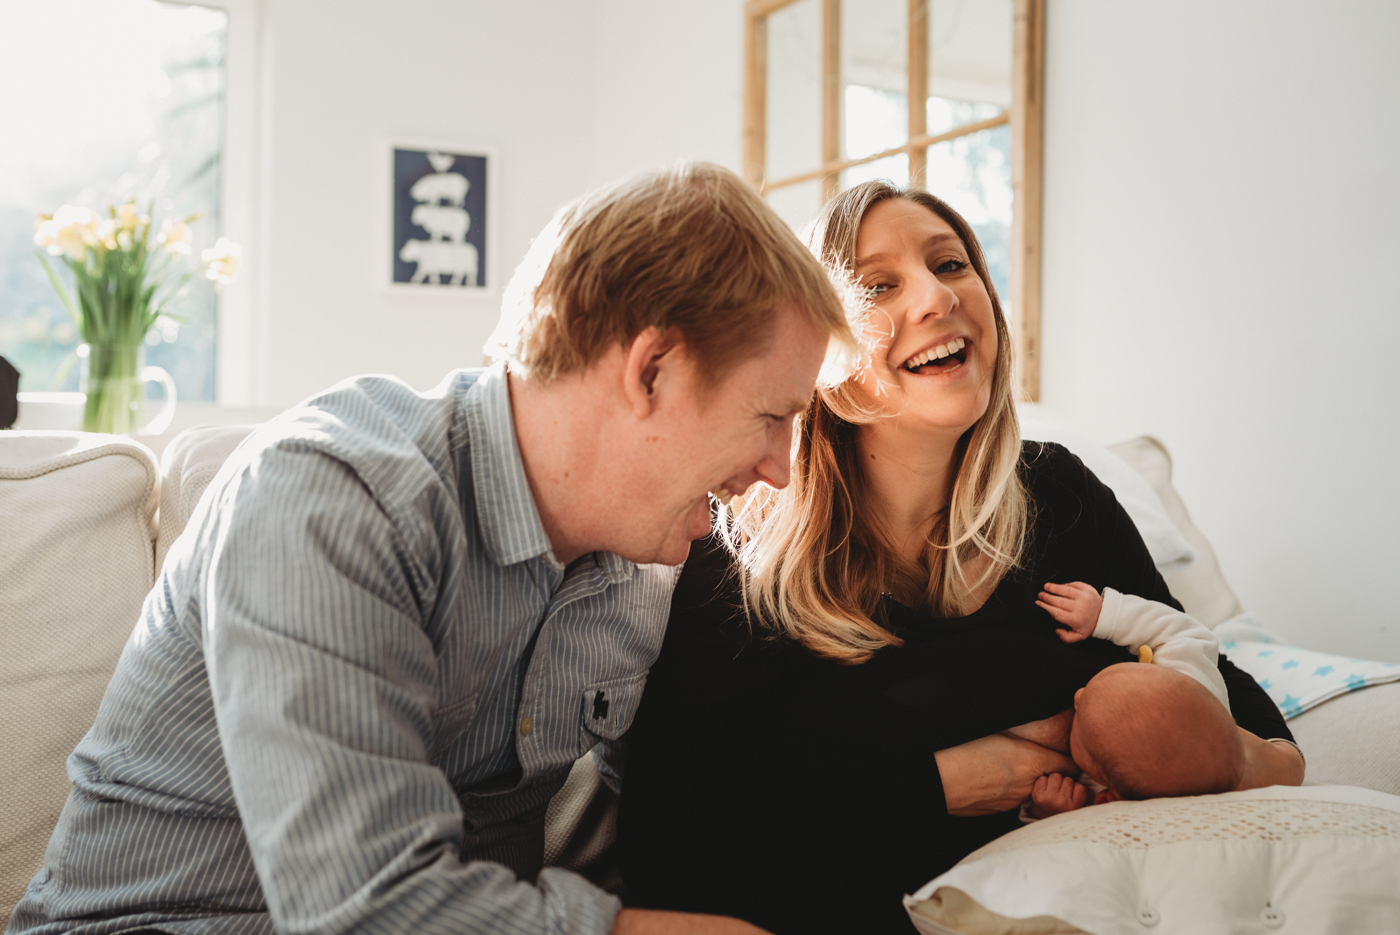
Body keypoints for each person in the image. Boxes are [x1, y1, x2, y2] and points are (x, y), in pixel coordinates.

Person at [7, 163, 852, 935]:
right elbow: (369, 908)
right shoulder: (332, 496)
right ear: (652, 370)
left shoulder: (643, 565)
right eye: (771, 417)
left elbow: (707, 805)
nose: (778, 468)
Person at [615, 181, 1305, 935]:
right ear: (816, 350)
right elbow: (674, 850)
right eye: (879, 284)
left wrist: (1260, 763)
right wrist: (955, 778)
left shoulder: (1060, 494)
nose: (937, 298)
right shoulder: (739, 559)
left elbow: (1217, 679)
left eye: (951, 264)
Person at [1019, 580, 1247, 817]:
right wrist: (1105, 615)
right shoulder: (1192, 678)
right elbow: (1187, 633)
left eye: (1080, 726)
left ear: (1112, 792)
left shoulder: (1110, 799)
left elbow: (1070, 839)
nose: (1079, 696)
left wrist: (1047, 811)